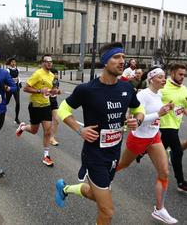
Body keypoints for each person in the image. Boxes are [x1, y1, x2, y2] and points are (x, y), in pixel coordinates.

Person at [54, 42, 144, 225]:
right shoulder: (87, 90)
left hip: (113, 155)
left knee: (94, 195)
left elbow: (138, 108)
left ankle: (65, 189)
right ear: (105, 61)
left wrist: (138, 119)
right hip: (94, 156)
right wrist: (80, 129)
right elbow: (63, 109)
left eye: (124, 58)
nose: (122, 61)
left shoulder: (126, 88)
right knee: (107, 211)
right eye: (116, 57)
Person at [116, 67, 177, 224]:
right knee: (122, 164)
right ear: (151, 79)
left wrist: (168, 110)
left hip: (154, 137)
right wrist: (159, 114)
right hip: (138, 138)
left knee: (164, 172)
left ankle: (159, 209)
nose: (164, 79)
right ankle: (102, 176)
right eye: (160, 77)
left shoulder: (160, 94)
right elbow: (134, 117)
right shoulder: (142, 94)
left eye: (165, 77)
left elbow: (159, 112)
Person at [16, 54, 59, 166]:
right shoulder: (38, 74)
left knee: (47, 131)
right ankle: (23, 127)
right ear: (43, 63)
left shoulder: (51, 75)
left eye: (51, 61)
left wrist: (54, 91)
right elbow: (25, 88)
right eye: (47, 61)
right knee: (34, 130)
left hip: (46, 106)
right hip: (35, 106)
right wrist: (40, 91)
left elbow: (50, 90)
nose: (49, 63)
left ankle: (46, 156)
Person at [159, 63, 187, 192]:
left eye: (184, 74)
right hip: (165, 123)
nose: (183, 77)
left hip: (175, 123)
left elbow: (184, 106)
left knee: (161, 146)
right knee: (178, 151)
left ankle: (143, 151)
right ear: (172, 74)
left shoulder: (184, 89)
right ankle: (181, 182)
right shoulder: (163, 87)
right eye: (180, 74)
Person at [6, 57, 22, 124]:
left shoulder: (17, 69)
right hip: (10, 88)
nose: (13, 63)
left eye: (14, 62)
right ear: (10, 63)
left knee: (18, 103)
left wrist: (20, 82)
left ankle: (16, 118)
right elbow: (5, 79)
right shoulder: (7, 70)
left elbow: (18, 77)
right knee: (6, 102)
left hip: (16, 87)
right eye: (12, 62)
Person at [49, 68, 61, 146]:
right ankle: (23, 127)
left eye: (57, 74)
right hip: (45, 102)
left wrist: (58, 91)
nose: (56, 75)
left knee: (56, 120)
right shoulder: (47, 81)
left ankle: (52, 138)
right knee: (36, 125)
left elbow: (57, 90)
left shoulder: (56, 81)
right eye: (54, 74)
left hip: (54, 102)